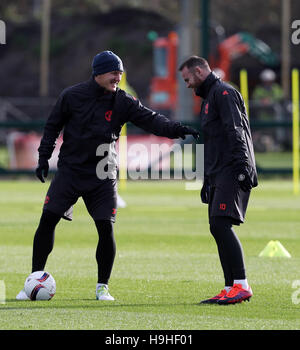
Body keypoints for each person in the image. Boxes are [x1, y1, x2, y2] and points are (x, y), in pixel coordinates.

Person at [16, 50, 199, 301]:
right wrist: (43, 158)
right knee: (47, 221)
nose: (118, 77)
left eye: (120, 73)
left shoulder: (124, 101)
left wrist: (179, 129)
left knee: (105, 228)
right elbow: (52, 127)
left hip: (103, 174)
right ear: (98, 73)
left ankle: (103, 287)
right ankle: (34, 280)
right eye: (114, 72)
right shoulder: (71, 96)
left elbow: (152, 120)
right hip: (70, 171)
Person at [179, 56, 258, 305]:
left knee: (222, 225)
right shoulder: (209, 98)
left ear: (200, 71)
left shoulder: (224, 93)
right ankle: (229, 287)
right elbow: (212, 141)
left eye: (188, 79)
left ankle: (242, 285)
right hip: (218, 172)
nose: (188, 85)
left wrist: (243, 166)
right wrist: (206, 179)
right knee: (217, 227)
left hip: (231, 169)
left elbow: (236, 130)